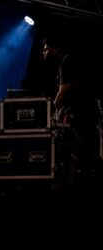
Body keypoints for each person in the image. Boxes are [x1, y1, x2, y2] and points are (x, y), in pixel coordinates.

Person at [42, 37, 101, 184]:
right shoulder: (67, 61)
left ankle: (77, 181)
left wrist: (50, 111)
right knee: (78, 150)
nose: (43, 52)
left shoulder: (67, 61)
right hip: (83, 111)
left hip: (80, 113)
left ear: (55, 49)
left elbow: (64, 91)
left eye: (46, 49)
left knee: (77, 149)